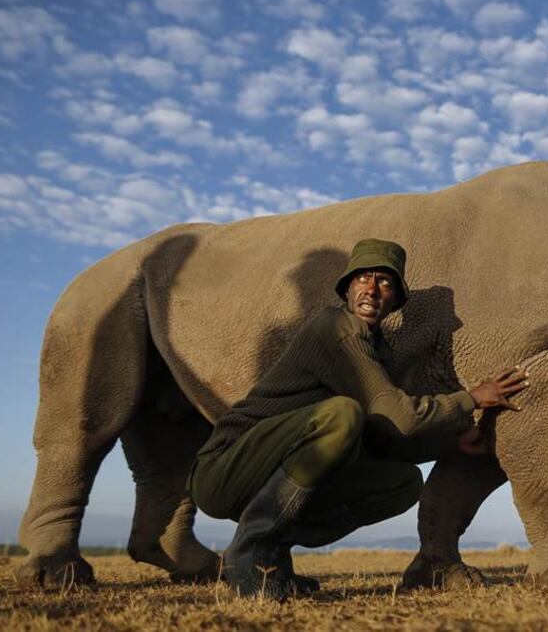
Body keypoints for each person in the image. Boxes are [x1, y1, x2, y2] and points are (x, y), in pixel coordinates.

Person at [187, 238, 527, 599]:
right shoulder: (335, 327)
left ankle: (270, 556)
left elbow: (384, 434)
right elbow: (398, 414)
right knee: (342, 416)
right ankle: (248, 550)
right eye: (363, 278)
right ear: (347, 289)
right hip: (223, 468)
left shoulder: (376, 349)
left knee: (402, 484)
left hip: (264, 478)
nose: (372, 289)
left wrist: (451, 442)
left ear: (395, 298)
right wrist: (470, 398)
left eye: (384, 282)